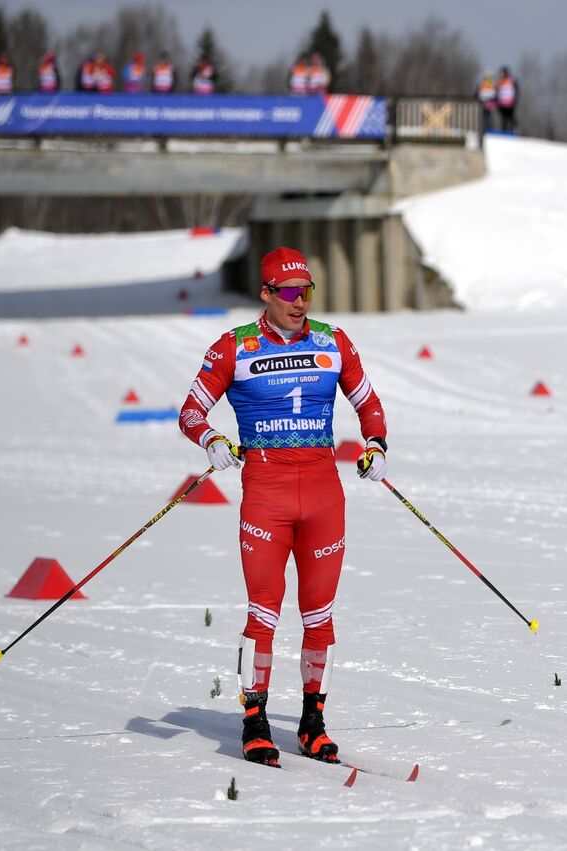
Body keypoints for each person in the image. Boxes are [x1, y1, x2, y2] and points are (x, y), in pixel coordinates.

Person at [178, 247, 389, 767]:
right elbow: (189, 410)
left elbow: (368, 403)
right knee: (263, 613)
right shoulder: (233, 347)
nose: (301, 302)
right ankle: (255, 722)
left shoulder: (332, 341)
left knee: (320, 615)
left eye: (307, 291)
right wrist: (210, 440)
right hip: (267, 494)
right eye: (290, 292)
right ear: (267, 294)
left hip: (322, 494)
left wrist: (376, 445)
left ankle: (313, 724)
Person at [496, 66, 518, 133]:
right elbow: (497, 92)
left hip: (510, 103)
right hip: (502, 104)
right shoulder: (500, 81)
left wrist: (515, 100)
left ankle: (512, 130)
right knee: (504, 119)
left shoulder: (512, 80)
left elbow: (516, 91)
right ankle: (504, 132)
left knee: (510, 118)